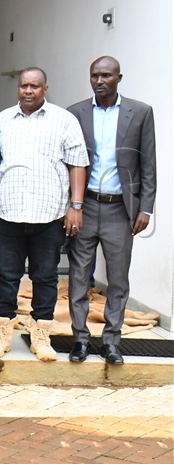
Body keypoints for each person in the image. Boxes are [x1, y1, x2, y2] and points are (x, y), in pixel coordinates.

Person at [0, 67, 87, 362]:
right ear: (18, 88)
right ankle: (1, 335)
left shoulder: (64, 120)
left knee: (45, 277)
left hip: (50, 216)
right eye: (24, 86)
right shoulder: (2, 120)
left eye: (35, 86)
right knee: (6, 275)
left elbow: (77, 163)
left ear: (45, 88)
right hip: (8, 213)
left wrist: (75, 206)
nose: (28, 91)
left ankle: (41, 337)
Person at [66, 57, 155, 365]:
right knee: (79, 276)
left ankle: (112, 341)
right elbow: (68, 163)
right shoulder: (75, 113)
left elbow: (148, 164)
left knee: (117, 278)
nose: (99, 80)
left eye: (106, 75)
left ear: (119, 77)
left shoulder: (141, 113)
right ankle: (79, 339)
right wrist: (70, 205)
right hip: (85, 205)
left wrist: (146, 207)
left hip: (121, 209)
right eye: (94, 75)